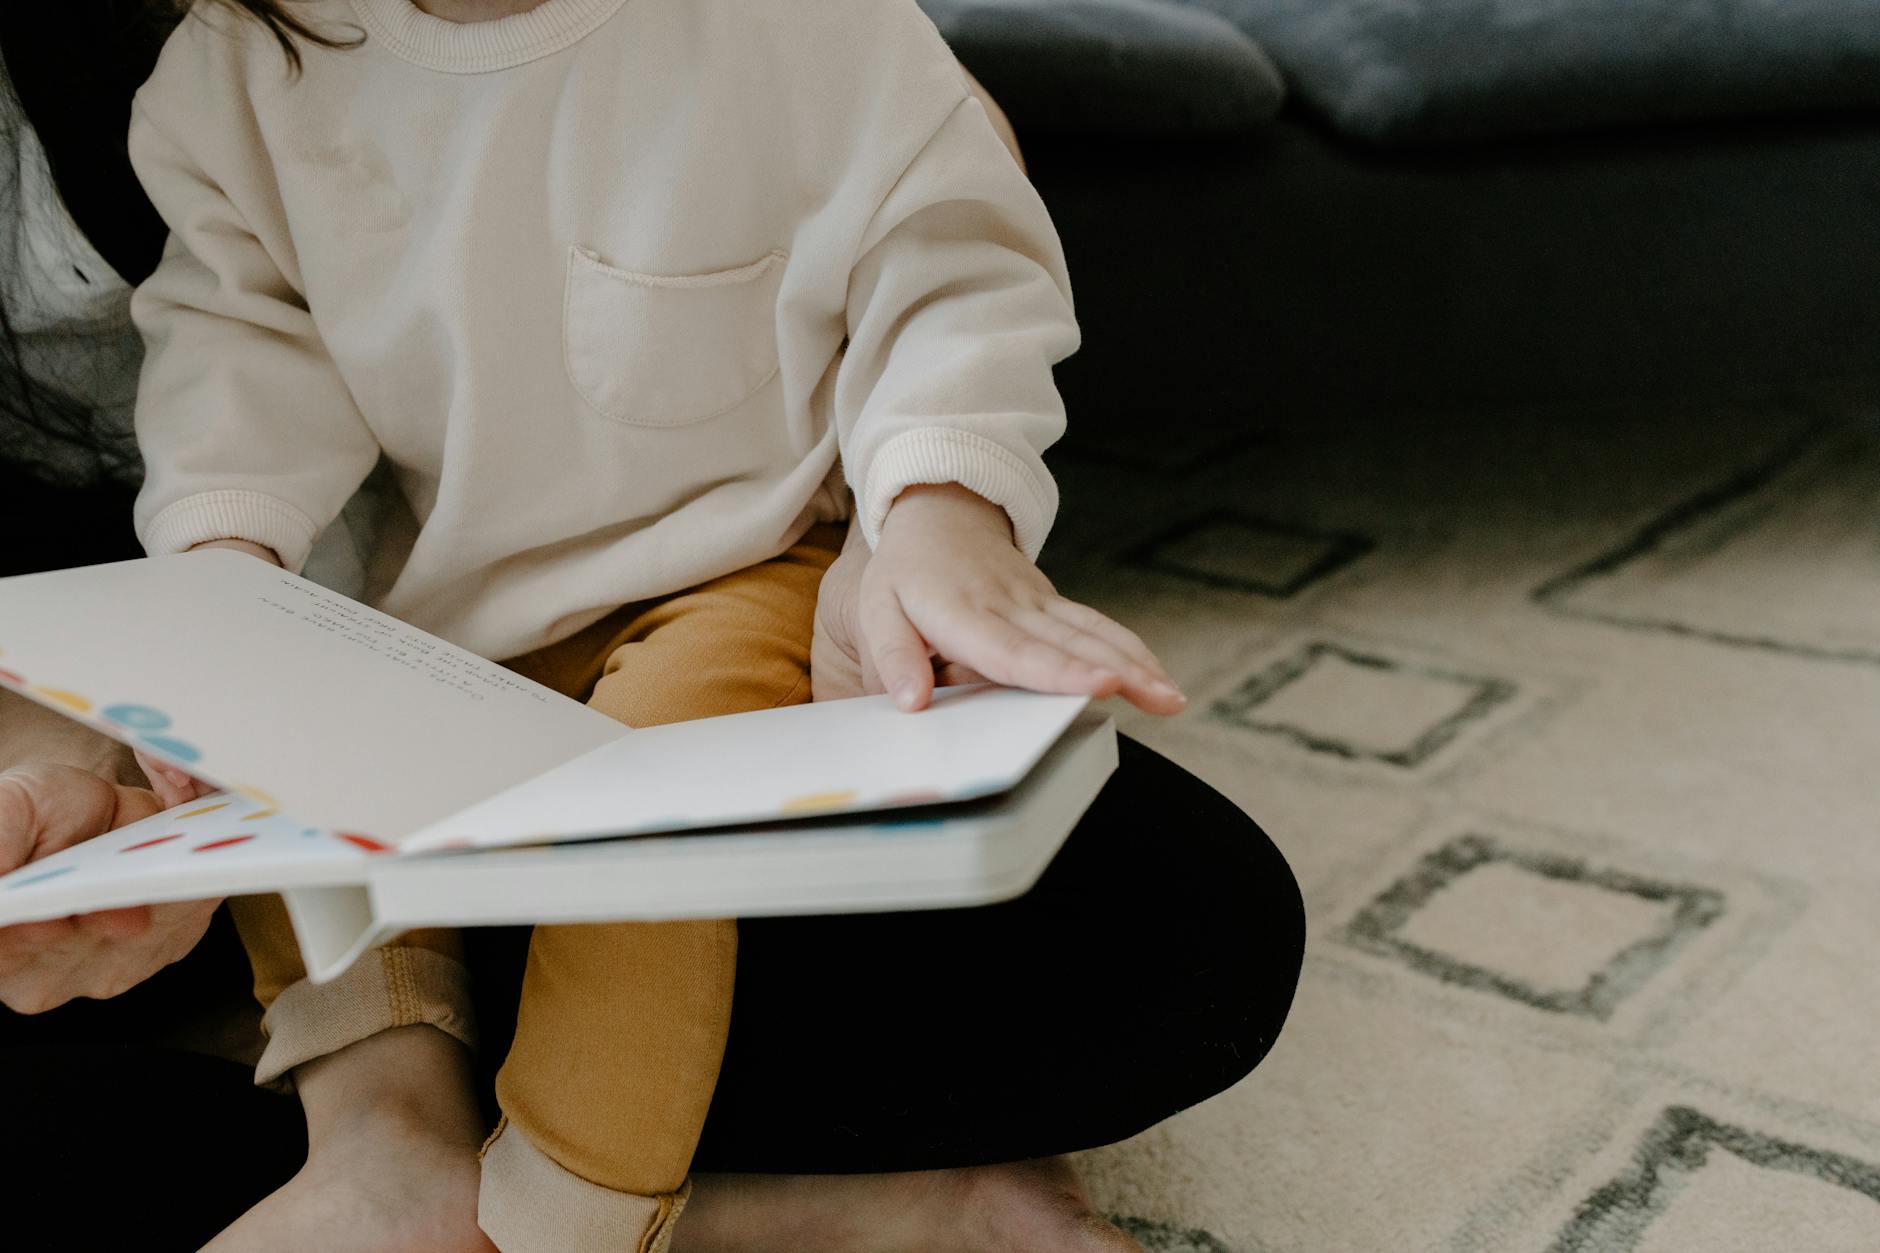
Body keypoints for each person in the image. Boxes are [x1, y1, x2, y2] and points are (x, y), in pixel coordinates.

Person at [0, 4, 1306, 1251]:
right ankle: (387, 1131)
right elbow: (240, 342)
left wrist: (936, 508)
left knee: (640, 839)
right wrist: (217, 602)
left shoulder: (797, 27)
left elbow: (949, 246)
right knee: (287, 780)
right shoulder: (236, 64)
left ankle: (565, 1213)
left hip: (725, 571)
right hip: (421, 610)